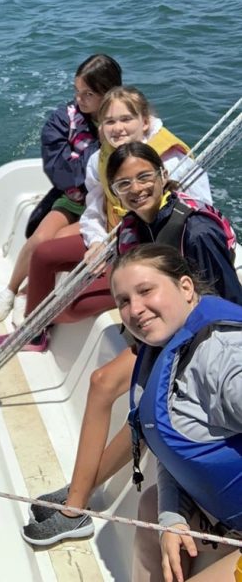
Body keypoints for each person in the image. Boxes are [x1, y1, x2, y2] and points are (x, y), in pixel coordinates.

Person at [22, 142, 241, 547]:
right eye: (123, 183)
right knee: (113, 389)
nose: (136, 188)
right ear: (113, 192)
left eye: (144, 177)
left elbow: (229, 305)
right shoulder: (133, 227)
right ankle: (79, 493)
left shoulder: (197, 229)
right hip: (162, 333)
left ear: (162, 175)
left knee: (125, 396)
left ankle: (76, 505)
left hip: (197, 337)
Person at [0, 85, 212, 353]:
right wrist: (95, 242)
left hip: (151, 252)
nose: (117, 128)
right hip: (113, 238)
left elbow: (201, 209)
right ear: (100, 126)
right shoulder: (100, 159)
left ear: (145, 121)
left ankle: (48, 317)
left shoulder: (171, 159)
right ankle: (34, 333)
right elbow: (94, 208)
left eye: (126, 119)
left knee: (70, 307)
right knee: (44, 253)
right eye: (109, 121)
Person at [110, 244, 242, 581]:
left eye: (145, 291)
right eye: (123, 301)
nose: (135, 309)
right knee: (151, 507)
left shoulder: (223, 358)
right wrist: (172, 519)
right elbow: (171, 451)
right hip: (224, 517)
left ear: (186, 287)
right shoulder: (165, 353)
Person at [0, 54, 122, 324]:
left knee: (58, 239)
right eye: (77, 91)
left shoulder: (122, 120)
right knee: (40, 240)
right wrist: (98, 151)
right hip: (75, 197)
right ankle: (12, 289)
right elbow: (61, 173)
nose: (79, 99)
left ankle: (30, 291)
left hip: (110, 203)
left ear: (108, 93)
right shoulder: (63, 121)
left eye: (88, 93)